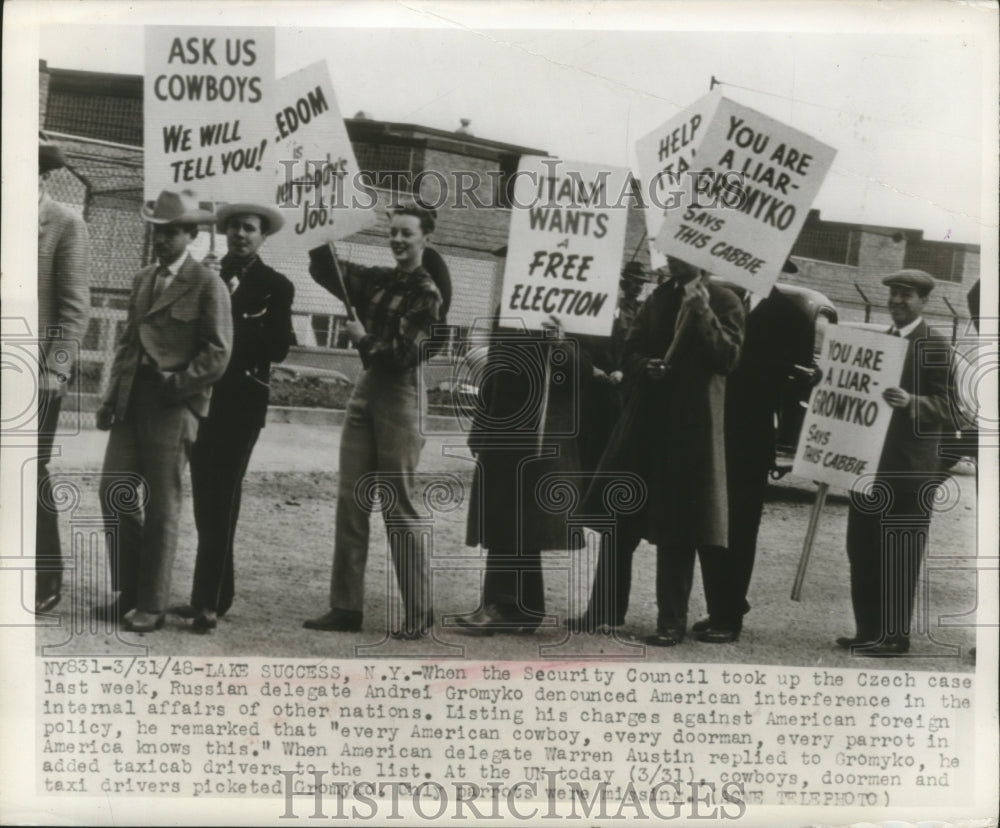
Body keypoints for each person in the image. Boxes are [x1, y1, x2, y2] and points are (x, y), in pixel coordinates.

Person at [567, 255, 744, 646]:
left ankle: (671, 622)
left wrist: (703, 314)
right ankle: (604, 611)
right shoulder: (658, 299)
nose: (676, 259)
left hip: (690, 432)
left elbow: (728, 358)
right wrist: (646, 366)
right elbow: (629, 352)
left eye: (686, 251)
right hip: (644, 426)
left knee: (677, 528)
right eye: (673, 251)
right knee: (620, 520)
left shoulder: (725, 300)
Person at [303, 206, 447, 640]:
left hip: (401, 391)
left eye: (407, 233)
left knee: (398, 505)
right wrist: (315, 225)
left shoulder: (428, 293)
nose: (398, 240)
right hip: (367, 388)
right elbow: (328, 270)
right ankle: (345, 607)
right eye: (394, 233)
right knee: (351, 500)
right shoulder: (381, 279)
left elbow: (405, 354)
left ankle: (419, 611)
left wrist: (363, 338)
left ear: (425, 239)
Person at [93, 190, 232, 633]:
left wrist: (179, 384)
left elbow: (218, 352)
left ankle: (151, 605)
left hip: (174, 405)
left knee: (162, 505)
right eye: (157, 230)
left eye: (172, 232)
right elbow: (127, 344)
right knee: (113, 490)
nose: (161, 239)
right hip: (133, 402)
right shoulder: (142, 279)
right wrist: (111, 397)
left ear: (192, 234)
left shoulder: (207, 283)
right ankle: (130, 590)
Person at [170, 202, 295, 632]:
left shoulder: (276, 286)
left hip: (241, 407)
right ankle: (218, 595)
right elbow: (184, 331)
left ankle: (206, 601)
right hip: (203, 402)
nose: (240, 235)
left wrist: (223, 341)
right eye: (234, 228)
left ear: (262, 236)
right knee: (209, 499)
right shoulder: (205, 275)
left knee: (222, 496)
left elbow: (277, 346)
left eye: (249, 228)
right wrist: (196, 287)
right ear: (223, 234)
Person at [692, 260, 817, 641]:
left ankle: (728, 617)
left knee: (740, 529)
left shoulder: (791, 315)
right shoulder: (723, 302)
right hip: (711, 430)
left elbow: (797, 382)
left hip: (751, 436)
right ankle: (721, 605)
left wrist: (806, 380)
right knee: (709, 523)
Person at [837, 269, 951, 657]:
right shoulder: (879, 344)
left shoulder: (934, 345)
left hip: (909, 471)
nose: (897, 301)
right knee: (863, 550)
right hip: (868, 467)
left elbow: (951, 406)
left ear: (923, 301)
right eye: (894, 294)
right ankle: (867, 630)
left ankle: (895, 636)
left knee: (898, 554)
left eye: (907, 295)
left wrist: (912, 402)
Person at [454, 313, 591, 635]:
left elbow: (585, 370)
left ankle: (500, 605)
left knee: (516, 520)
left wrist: (561, 344)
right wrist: (481, 428)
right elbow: (497, 373)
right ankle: (525, 608)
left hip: (540, 434)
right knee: (507, 519)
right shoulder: (514, 309)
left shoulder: (574, 313)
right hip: (504, 430)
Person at [35, 141, 91, 614]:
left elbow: (74, 308)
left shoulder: (65, 223)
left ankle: (44, 577)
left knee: (28, 471)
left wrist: (55, 368)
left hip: (35, 377)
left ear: (43, 175)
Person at [578, 261, 645, 472]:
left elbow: (636, 347)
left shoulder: (641, 311)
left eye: (641, 283)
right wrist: (592, 369)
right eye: (635, 282)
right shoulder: (593, 315)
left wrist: (624, 370)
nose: (639, 287)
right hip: (594, 386)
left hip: (623, 387)